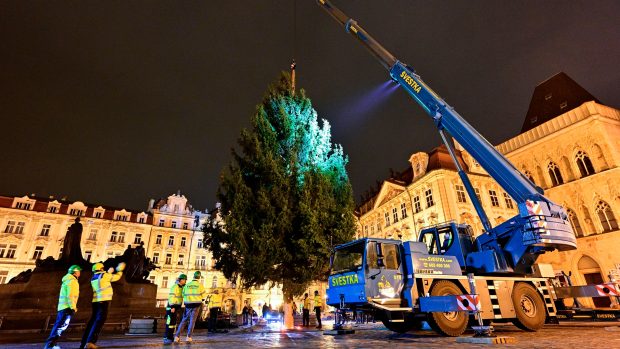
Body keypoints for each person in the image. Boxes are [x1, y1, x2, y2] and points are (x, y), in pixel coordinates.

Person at [80, 262, 124, 349]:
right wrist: (120, 270)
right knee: (99, 322)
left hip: (95, 302)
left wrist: (108, 273)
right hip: (104, 301)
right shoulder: (105, 275)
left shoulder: (93, 278)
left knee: (92, 322)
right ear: (101, 269)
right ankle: (91, 342)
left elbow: (102, 279)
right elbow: (117, 277)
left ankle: (84, 343)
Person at [44, 265, 82, 349]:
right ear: (75, 272)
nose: (80, 273)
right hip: (67, 307)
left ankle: (51, 344)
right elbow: (71, 295)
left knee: (59, 326)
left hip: (63, 307)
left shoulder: (67, 280)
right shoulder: (72, 281)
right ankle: (50, 345)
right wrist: (73, 307)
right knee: (60, 326)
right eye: (79, 271)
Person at [175, 271, 207, 343]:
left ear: (193, 276)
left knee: (184, 320)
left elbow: (183, 294)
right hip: (196, 305)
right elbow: (204, 296)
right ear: (199, 277)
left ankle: (177, 337)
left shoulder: (187, 285)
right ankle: (188, 337)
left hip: (188, 305)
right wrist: (200, 299)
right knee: (192, 321)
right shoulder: (200, 285)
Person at [163, 273, 187, 345]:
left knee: (173, 324)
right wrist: (172, 306)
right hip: (171, 307)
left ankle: (170, 337)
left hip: (176, 307)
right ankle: (167, 337)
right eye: (185, 280)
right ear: (181, 280)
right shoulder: (175, 287)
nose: (185, 281)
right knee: (169, 323)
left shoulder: (181, 287)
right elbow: (171, 297)